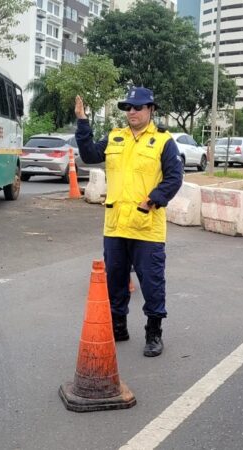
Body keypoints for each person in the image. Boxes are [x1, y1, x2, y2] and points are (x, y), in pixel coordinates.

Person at [74, 87, 183, 357]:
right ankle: (119, 326)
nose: (131, 112)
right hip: (115, 225)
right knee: (115, 280)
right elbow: (88, 156)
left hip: (147, 227)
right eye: (128, 108)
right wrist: (82, 121)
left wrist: (153, 200)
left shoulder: (163, 141)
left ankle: (154, 332)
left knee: (152, 283)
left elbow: (174, 177)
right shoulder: (114, 137)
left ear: (151, 110)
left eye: (138, 107)